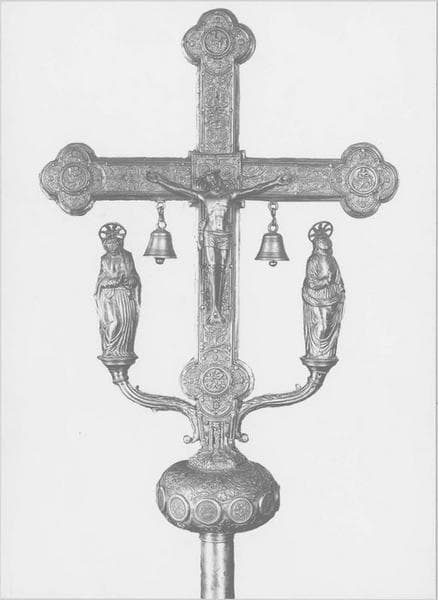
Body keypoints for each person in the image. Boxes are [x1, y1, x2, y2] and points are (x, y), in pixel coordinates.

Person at [147, 169, 289, 323]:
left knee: (222, 268)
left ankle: (217, 308)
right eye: (211, 181)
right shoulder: (204, 196)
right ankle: (214, 308)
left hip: (225, 235)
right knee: (211, 267)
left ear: (219, 180)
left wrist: (275, 182)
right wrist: (160, 181)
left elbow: (254, 189)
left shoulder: (229, 196)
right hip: (210, 234)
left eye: (215, 179)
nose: (214, 182)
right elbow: (180, 189)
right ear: (208, 183)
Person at [95, 223, 141, 360]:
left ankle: (124, 351)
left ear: (119, 243)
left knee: (126, 321)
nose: (112, 246)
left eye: (114, 243)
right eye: (109, 244)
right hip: (109, 296)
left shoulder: (127, 256)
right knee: (113, 322)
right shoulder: (104, 259)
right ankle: (109, 350)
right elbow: (101, 280)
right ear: (105, 245)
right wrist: (108, 282)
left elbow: (133, 275)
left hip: (125, 295)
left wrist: (131, 280)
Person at [302, 231, 345, 360]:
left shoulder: (332, 260)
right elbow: (312, 283)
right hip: (315, 298)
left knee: (329, 327)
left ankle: (327, 354)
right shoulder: (313, 260)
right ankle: (316, 353)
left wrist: (341, 290)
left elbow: (338, 278)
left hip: (332, 297)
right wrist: (326, 281)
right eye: (322, 245)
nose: (325, 247)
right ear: (317, 245)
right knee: (321, 327)